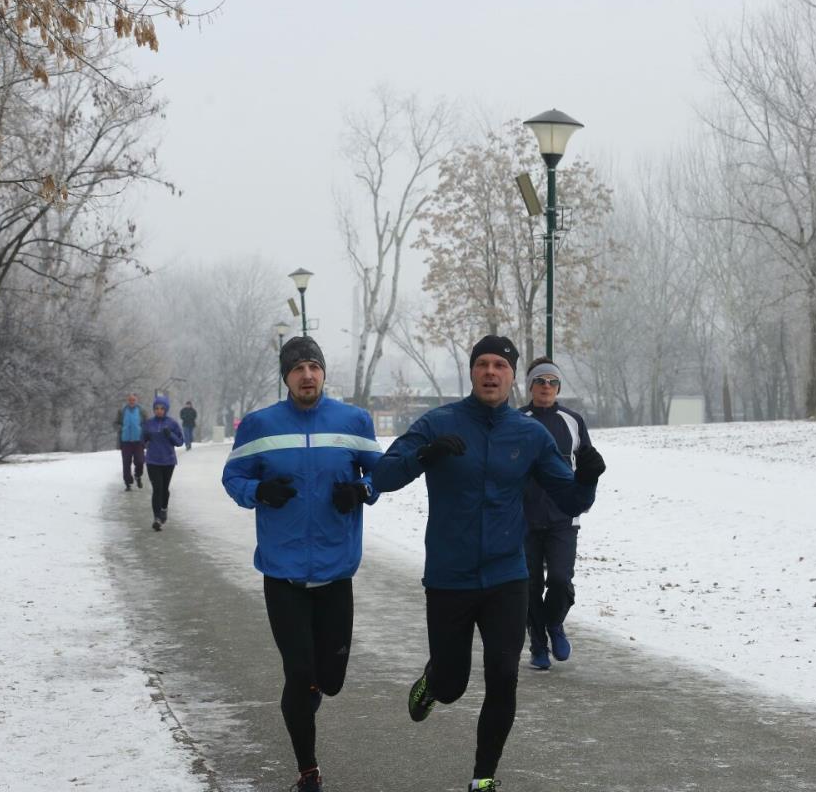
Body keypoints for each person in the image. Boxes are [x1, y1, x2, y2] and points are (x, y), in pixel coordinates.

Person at [372, 335, 606, 792]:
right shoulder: (438, 422)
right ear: (472, 371)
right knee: (452, 685)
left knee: (503, 677)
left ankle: (483, 778)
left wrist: (588, 478)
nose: (491, 372)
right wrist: (424, 455)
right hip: (449, 577)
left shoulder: (530, 435)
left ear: (512, 375)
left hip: (506, 576)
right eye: (483, 364)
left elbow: (570, 497)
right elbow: (381, 476)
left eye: (500, 364)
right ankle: (432, 681)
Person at [222, 336, 382, 792]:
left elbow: (380, 471)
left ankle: (309, 693)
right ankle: (307, 770)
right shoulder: (259, 426)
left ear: (324, 372)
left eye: (314, 366)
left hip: (336, 571)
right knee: (300, 673)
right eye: (297, 369)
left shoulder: (353, 421)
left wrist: (362, 490)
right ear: (285, 376)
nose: (306, 375)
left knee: (329, 680)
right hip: (283, 572)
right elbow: (233, 476)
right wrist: (259, 492)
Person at [519, 357, 595, 671]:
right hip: (523, 517)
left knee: (561, 580)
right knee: (529, 585)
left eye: (551, 381)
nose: (546, 387)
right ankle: (538, 645)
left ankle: (554, 624)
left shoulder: (573, 420)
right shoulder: (516, 419)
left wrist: (584, 497)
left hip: (564, 516)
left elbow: (589, 465)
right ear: (530, 386)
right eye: (540, 381)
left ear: (559, 386)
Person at [142, 394, 185, 530]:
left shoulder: (172, 423)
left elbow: (180, 442)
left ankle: (164, 509)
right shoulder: (149, 423)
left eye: (162, 408)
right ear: (154, 409)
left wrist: (169, 434)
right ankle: (157, 518)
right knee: (157, 489)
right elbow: (142, 441)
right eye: (156, 408)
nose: (159, 410)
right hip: (152, 460)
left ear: (166, 409)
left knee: (164, 490)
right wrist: (145, 439)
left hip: (168, 461)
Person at [114, 393, 146, 491]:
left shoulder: (141, 411)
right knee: (126, 463)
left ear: (136, 400)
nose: (131, 402)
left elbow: (147, 423)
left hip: (138, 441)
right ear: (127, 401)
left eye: (133, 400)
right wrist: (121, 428)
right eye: (130, 400)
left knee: (140, 461)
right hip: (126, 441)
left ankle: (138, 475)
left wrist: (143, 431)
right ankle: (128, 483)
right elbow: (116, 423)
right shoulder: (122, 411)